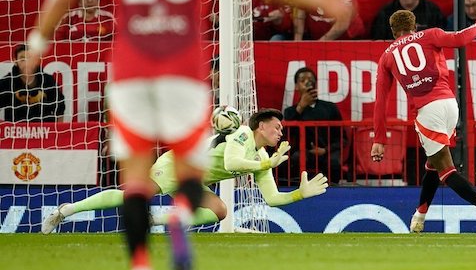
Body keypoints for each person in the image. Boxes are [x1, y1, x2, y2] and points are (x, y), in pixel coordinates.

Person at [23, 0, 348, 270]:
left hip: (133, 67)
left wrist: (37, 42)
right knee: (189, 175)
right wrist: (318, 0)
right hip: (183, 68)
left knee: (135, 182)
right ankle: (178, 215)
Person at [42, 108, 328, 233]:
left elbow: (272, 199)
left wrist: (299, 194)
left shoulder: (262, 156)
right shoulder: (242, 133)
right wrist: (267, 164)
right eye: (277, 127)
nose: (280, 132)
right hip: (176, 165)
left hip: (193, 177)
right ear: (261, 126)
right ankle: (66, 210)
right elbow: (232, 164)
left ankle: (154, 220)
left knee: (219, 210)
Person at [371, 9, 476, 239]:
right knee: (433, 164)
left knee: (447, 171)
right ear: (414, 26)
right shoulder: (430, 34)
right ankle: (420, 216)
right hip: (449, 105)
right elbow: (459, 39)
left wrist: (379, 139)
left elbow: (381, 101)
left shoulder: (387, 56)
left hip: (427, 112)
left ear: (393, 31)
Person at [283, 67, 344, 185]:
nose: (307, 82)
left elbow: (342, 137)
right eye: (303, 80)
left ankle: (333, 190)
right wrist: (301, 106)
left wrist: (325, 150)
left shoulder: (330, 108)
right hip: (303, 152)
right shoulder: (290, 112)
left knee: (334, 162)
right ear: (296, 86)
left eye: (311, 80)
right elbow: (287, 135)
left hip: (326, 152)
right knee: (295, 159)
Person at [0, 44, 65, 122]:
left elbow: (60, 109)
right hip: (15, 128)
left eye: (30, 58)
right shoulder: (7, 82)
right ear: (15, 61)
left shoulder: (48, 80)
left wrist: (57, 129)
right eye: (22, 59)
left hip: (44, 128)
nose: (26, 63)